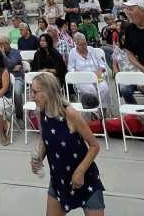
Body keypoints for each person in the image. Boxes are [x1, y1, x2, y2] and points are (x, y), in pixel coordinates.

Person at [28, 71, 105, 215]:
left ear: (48, 92)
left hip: (85, 177)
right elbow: (44, 139)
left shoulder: (69, 114)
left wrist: (80, 171)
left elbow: (95, 146)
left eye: (34, 92)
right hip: (59, 178)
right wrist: (38, 158)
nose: (31, 96)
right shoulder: (40, 111)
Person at [67, 33, 110, 109]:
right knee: (91, 91)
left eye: (85, 44)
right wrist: (78, 73)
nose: (84, 46)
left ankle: (103, 110)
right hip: (82, 80)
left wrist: (100, 70)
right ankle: (94, 111)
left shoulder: (91, 50)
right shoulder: (73, 52)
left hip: (97, 77)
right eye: (81, 45)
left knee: (104, 89)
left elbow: (102, 64)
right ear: (76, 44)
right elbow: (70, 68)